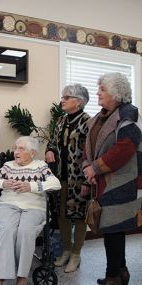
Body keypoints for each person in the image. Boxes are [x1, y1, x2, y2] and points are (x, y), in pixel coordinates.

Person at [83, 72, 142, 285]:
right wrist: (88, 166)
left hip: (122, 181)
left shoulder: (129, 114)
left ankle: (112, 279)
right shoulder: (101, 116)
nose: (97, 92)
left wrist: (95, 169)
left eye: (102, 89)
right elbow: (90, 146)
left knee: (112, 229)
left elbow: (124, 149)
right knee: (113, 229)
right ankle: (122, 272)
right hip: (105, 179)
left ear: (117, 94)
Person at [0, 136, 61, 285]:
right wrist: (4, 183)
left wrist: (31, 187)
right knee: (7, 230)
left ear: (32, 153)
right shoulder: (8, 166)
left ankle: (21, 280)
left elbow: (55, 184)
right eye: (15, 147)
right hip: (7, 205)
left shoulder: (40, 166)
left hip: (34, 207)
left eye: (21, 149)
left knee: (25, 231)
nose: (16, 151)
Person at [45, 84, 90, 272]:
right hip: (60, 176)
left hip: (80, 178)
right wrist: (49, 150)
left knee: (79, 216)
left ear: (78, 102)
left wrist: (88, 180)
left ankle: (76, 254)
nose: (62, 100)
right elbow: (53, 142)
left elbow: (92, 152)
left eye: (66, 97)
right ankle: (66, 250)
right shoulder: (61, 120)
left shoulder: (89, 122)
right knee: (62, 214)